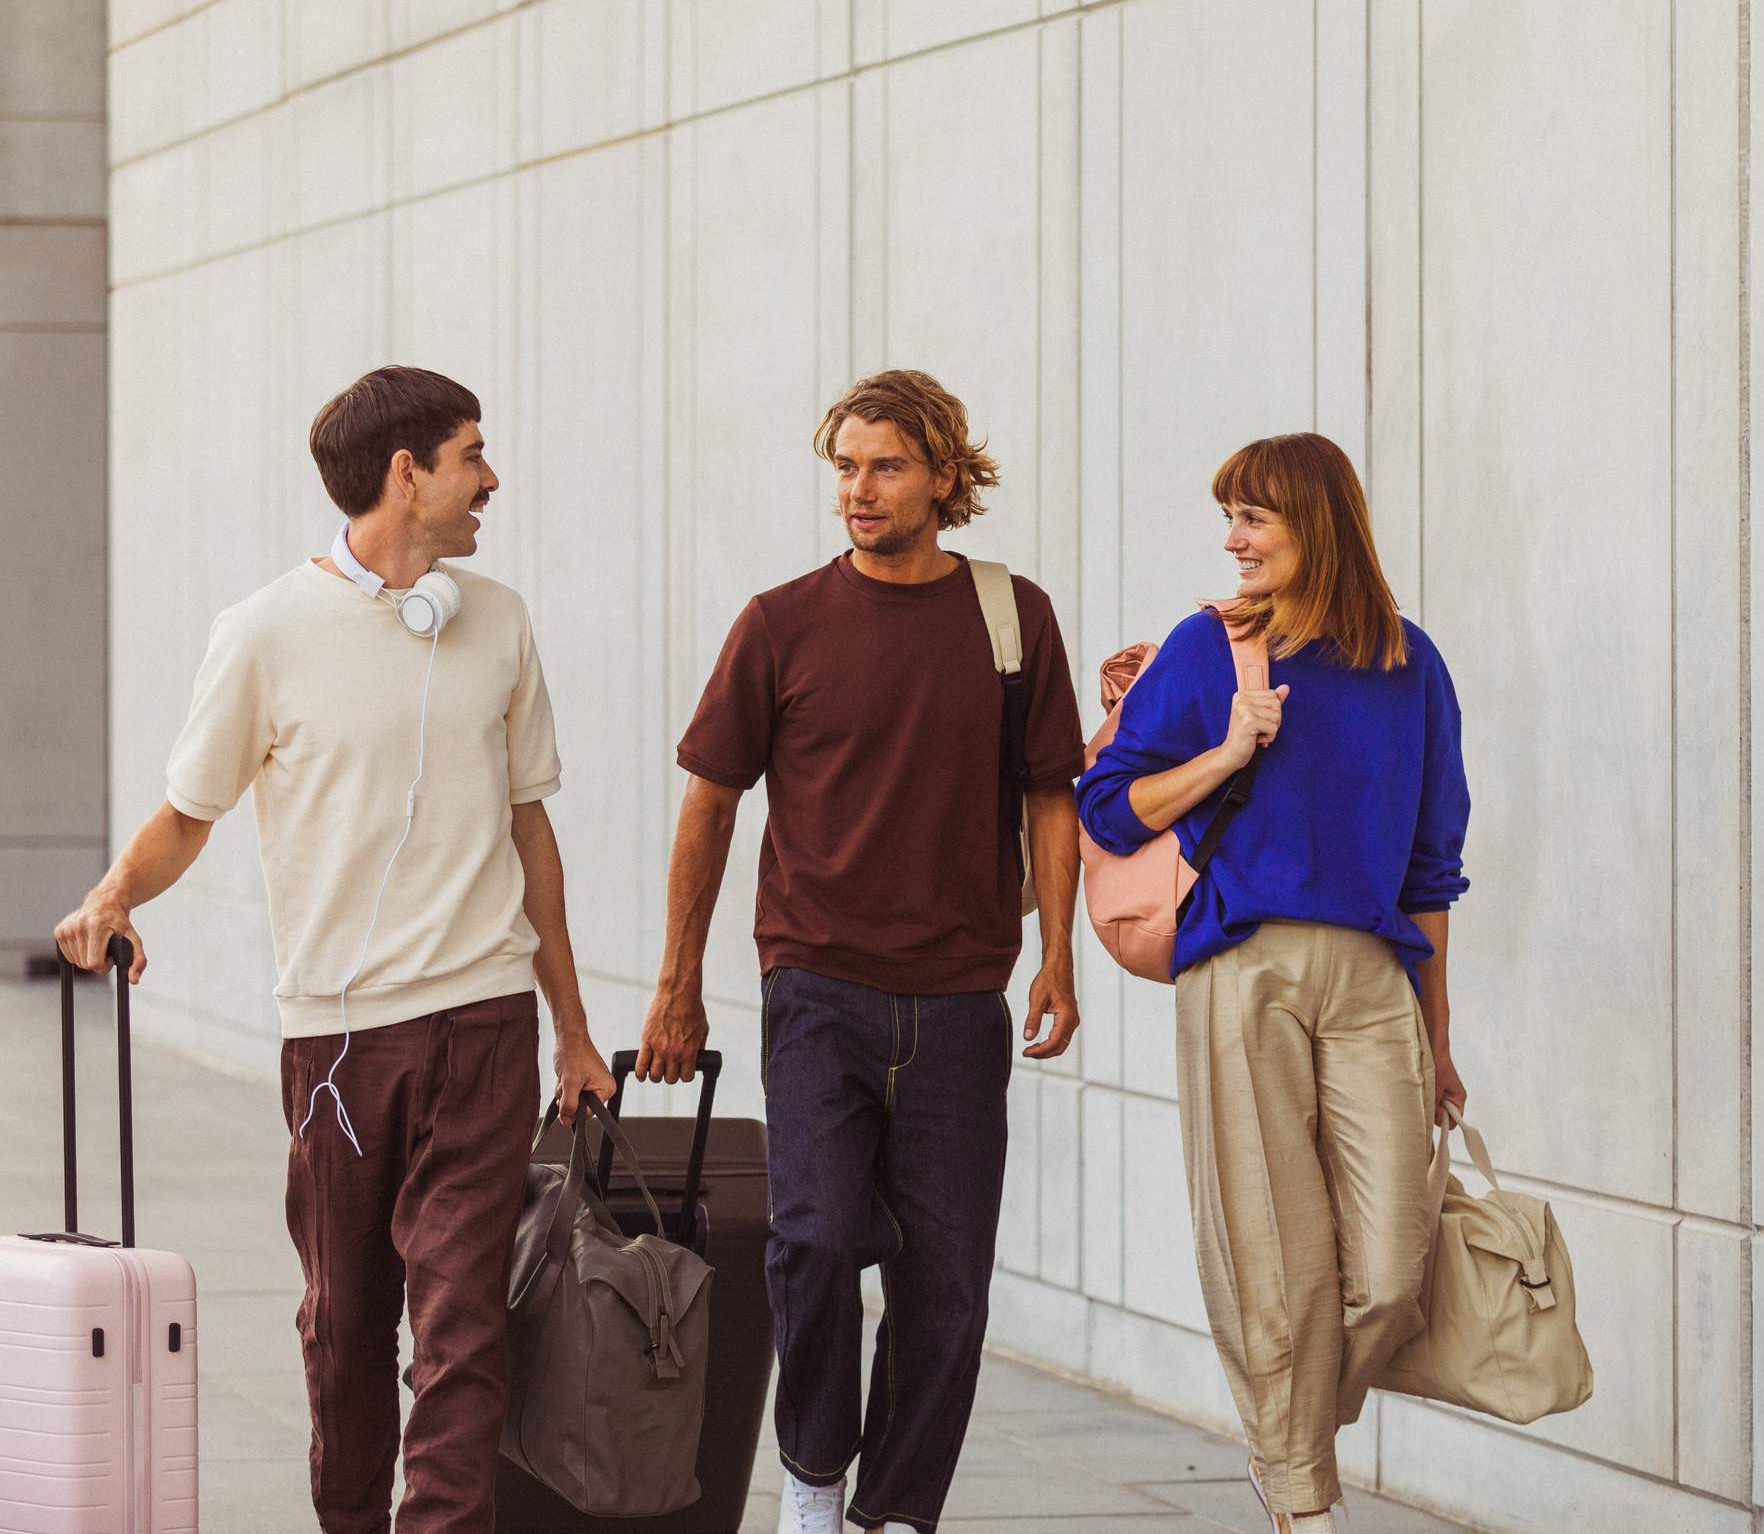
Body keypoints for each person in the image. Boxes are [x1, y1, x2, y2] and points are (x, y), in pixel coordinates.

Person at [53, 365, 617, 1534]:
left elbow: (530, 827)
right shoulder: (263, 631)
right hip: (338, 1042)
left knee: (463, 1325)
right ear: (407, 475)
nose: (491, 477)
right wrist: (112, 893)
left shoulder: (499, 619)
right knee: (347, 1324)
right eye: (472, 454)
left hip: (483, 1021)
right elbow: (190, 811)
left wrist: (569, 1024)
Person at [633, 369, 1086, 1534]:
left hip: (958, 996)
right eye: (844, 465)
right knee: (818, 1239)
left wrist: (1058, 958)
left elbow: (1049, 796)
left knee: (946, 1287)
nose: (859, 489)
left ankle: (895, 1513)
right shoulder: (781, 621)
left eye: (885, 464)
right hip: (817, 986)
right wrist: (676, 984)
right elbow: (710, 801)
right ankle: (816, 1467)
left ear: (944, 473)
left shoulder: (1011, 616)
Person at [1075, 432, 1471, 1534]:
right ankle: (1302, 1498)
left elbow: (1434, 866)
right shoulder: (1210, 650)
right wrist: (1223, 755)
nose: (1233, 539)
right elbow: (1106, 806)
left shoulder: (1409, 663)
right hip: (1240, 965)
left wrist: (1437, 1037)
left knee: (1390, 1267)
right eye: (1230, 518)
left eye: (1256, 518)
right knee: (1272, 1252)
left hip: (1372, 978)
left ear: (1319, 526)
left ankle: (1284, 1440)